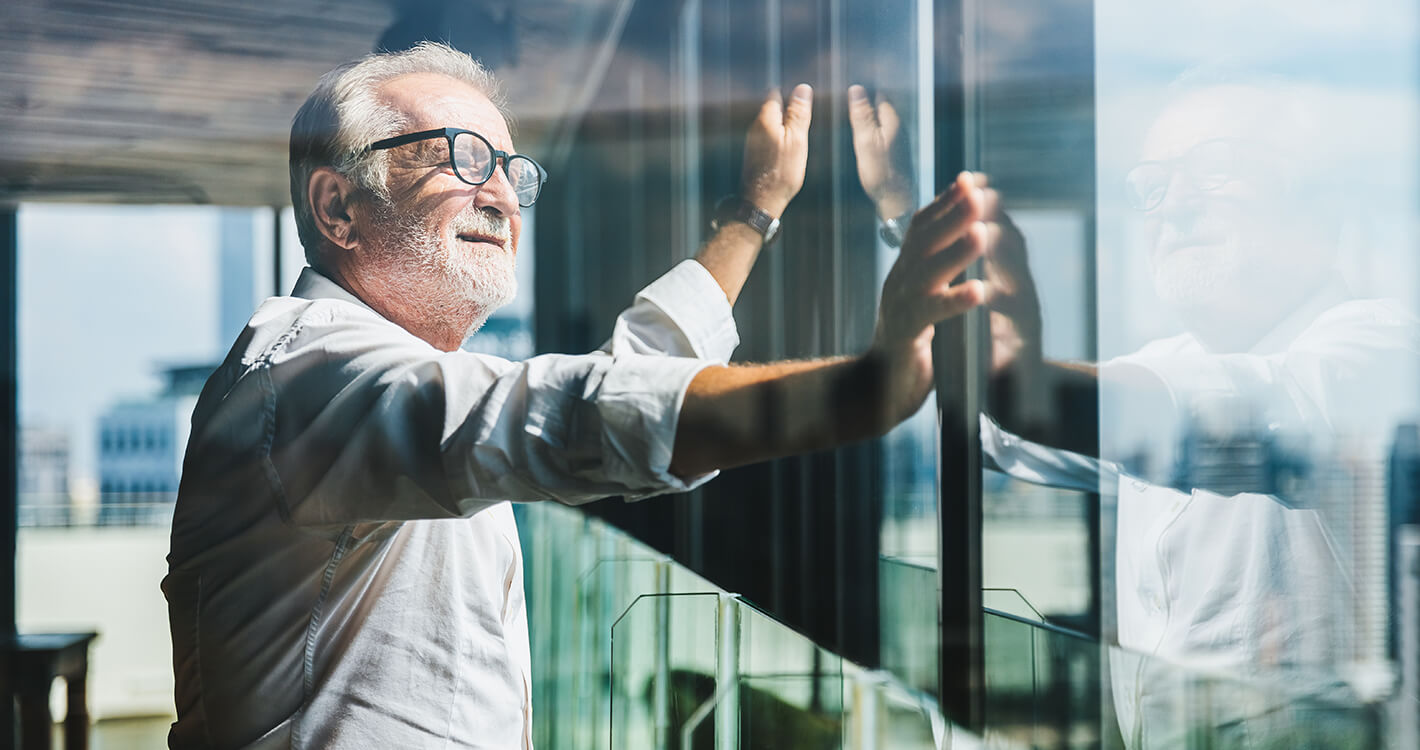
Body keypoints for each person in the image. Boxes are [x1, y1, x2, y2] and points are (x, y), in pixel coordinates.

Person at [164, 43, 991, 749]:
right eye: (461, 157)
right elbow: (577, 413)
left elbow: (621, 376)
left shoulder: (389, 381)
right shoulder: (304, 372)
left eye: (512, 170)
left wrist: (753, 213)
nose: (499, 194)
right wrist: (864, 386)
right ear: (337, 205)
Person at [848, 73, 1420, 747]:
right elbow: (999, 433)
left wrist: (1025, 377)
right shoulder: (1164, 361)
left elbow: (1241, 410)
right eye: (1152, 185)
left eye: (1214, 170)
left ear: (1316, 198)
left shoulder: (1383, 341)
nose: (1170, 207)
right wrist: (901, 210)